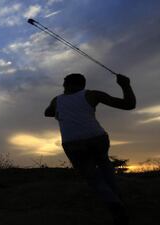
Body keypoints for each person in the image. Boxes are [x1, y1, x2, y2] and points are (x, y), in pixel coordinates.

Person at [45, 73, 136, 225]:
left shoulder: (57, 100)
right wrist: (125, 85)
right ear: (83, 85)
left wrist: (59, 110)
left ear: (65, 85)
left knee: (92, 178)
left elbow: (47, 113)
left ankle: (114, 204)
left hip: (72, 143)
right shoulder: (92, 95)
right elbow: (129, 104)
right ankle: (118, 201)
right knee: (105, 166)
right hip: (97, 137)